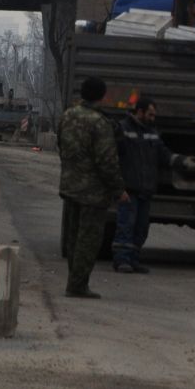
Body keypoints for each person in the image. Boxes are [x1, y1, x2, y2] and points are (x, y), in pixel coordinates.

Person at [58, 75, 127, 299]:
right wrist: (119, 190)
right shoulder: (100, 123)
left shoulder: (68, 115)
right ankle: (77, 285)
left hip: (70, 186)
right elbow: (107, 161)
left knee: (73, 237)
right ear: (102, 96)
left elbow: (61, 145)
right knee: (88, 240)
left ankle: (74, 281)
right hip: (93, 192)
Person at [112, 95, 195, 274]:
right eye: (150, 114)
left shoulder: (152, 132)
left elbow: (164, 154)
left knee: (141, 228)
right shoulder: (123, 129)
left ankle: (133, 259)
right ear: (140, 112)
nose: (153, 118)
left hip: (145, 189)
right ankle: (122, 260)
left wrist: (183, 161)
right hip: (130, 189)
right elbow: (113, 155)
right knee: (126, 225)